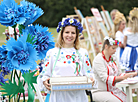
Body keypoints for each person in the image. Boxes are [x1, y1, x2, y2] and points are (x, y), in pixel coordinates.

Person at [39, 18, 95, 102]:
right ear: (62, 34)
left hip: (78, 96)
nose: (70, 35)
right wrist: (44, 81)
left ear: (77, 35)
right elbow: (44, 75)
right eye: (67, 32)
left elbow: (89, 73)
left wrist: (91, 79)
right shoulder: (52, 53)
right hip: (58, 96)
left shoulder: (83, 53)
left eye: (73, 33)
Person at [91, 36, 138, 102]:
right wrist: (124, 77)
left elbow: (119, 73)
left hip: (113, 90)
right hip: (100, 91)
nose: (115, 51)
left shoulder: (114, 57)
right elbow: (105, 78)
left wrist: (131, 74)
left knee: (128, 99)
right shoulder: (98, 59)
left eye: (116, 48)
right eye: (113, 48)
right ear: (106, 46)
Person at [121, 7, 138, 72]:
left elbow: (124, 43)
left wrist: (127, 48)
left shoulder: (127, 31)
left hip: (128, 50)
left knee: (127, 66)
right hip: (137, 50)